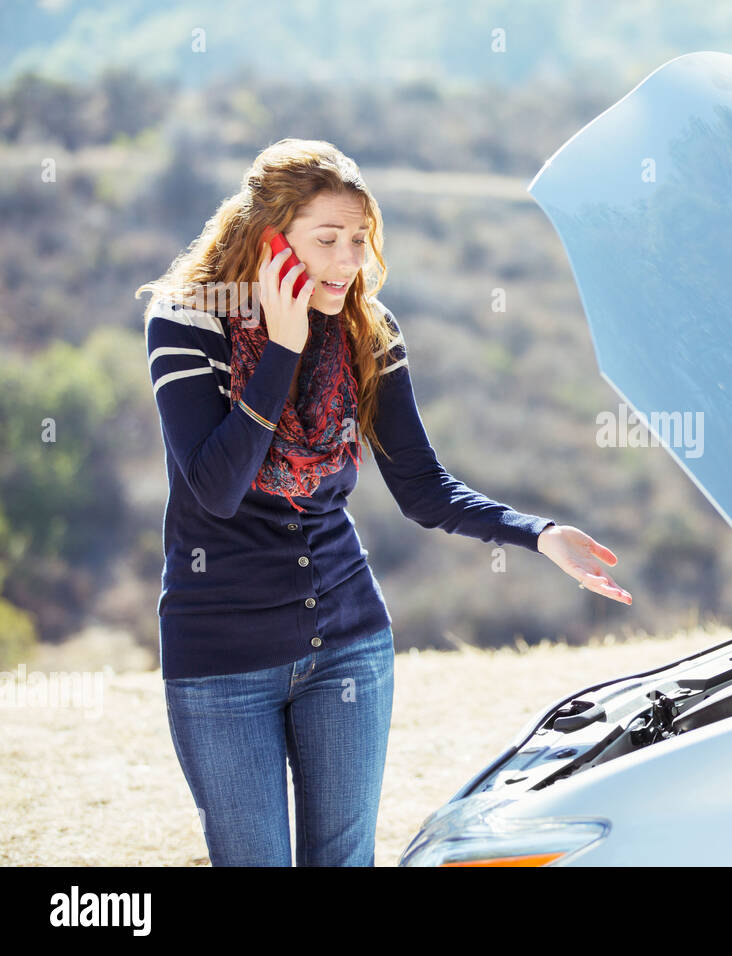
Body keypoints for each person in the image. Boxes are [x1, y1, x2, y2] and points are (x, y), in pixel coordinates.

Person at [133, 137, 631, 866]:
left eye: (360, 240)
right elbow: (214, 490)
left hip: (348, 647)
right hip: (222, 657)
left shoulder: (369, 331)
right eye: (326, 239)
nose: (348, 261)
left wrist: (540, 533)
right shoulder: (186, 324)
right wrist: (282, 348)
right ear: (269, 239)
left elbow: (424, 488)